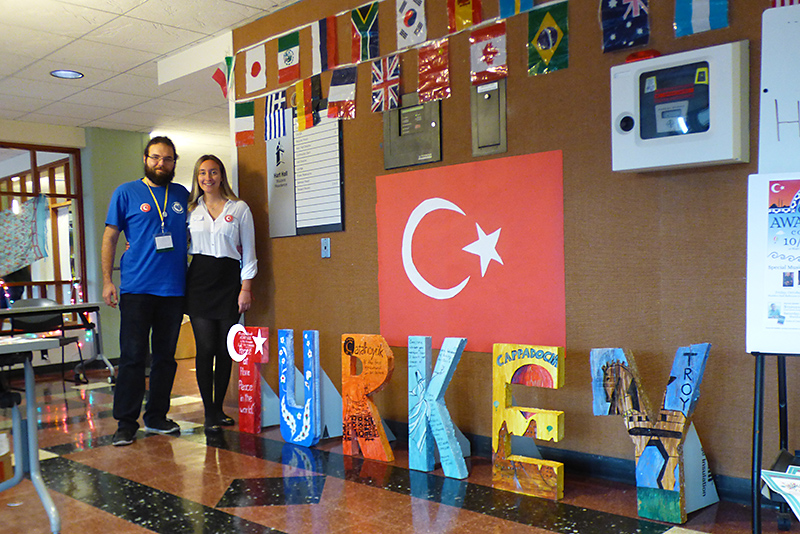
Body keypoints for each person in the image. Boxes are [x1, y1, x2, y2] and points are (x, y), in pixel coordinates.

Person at [102, 136, 189, 446]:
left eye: (167, 159)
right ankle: (126, 423)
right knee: (133, 356)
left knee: (165, 358)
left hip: (174, 290)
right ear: (145, 158)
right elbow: (111, 237)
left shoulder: (181, 195)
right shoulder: (126, 192)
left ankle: (156, 417)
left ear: (174, 162)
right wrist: (108, 280)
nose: (161, 164)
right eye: (155, 158)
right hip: (137, 288)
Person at [185, 155, 257, 433]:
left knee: (226, 350)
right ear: (197, 178)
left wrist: (246, 287)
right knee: (205, 348)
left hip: (229, 283)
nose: (207, 178)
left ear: (221, 176)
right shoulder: (191, 210)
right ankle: (209, 411)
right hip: (199, 282)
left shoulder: (239, 209)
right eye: (202, 173)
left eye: (213, 172)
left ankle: (219, 408)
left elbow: (249, 251)